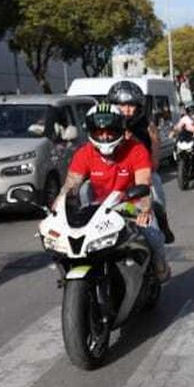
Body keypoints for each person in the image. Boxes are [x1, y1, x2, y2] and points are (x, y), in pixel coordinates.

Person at [57, 102, 169, 282]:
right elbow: (70, 187)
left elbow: (143, 182)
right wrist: (57, 212)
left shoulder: (136, 150)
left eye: (110, 130)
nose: (105, 135)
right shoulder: (83, 153)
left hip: (130, 207)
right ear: (91, 132)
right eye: (99, 131)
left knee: (153, 234)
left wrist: (144, 210)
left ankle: (160, 265)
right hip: (96, 210)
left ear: (120, 130)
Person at [107, 81, 174, 244]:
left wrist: (150, 164)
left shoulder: (147, 126)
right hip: (112, 175)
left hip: (141, 175)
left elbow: (155, 151)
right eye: (121, 105)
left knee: (156, 197)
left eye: (131, 105)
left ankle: (163, 227)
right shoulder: (105, 124)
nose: (126, 110)